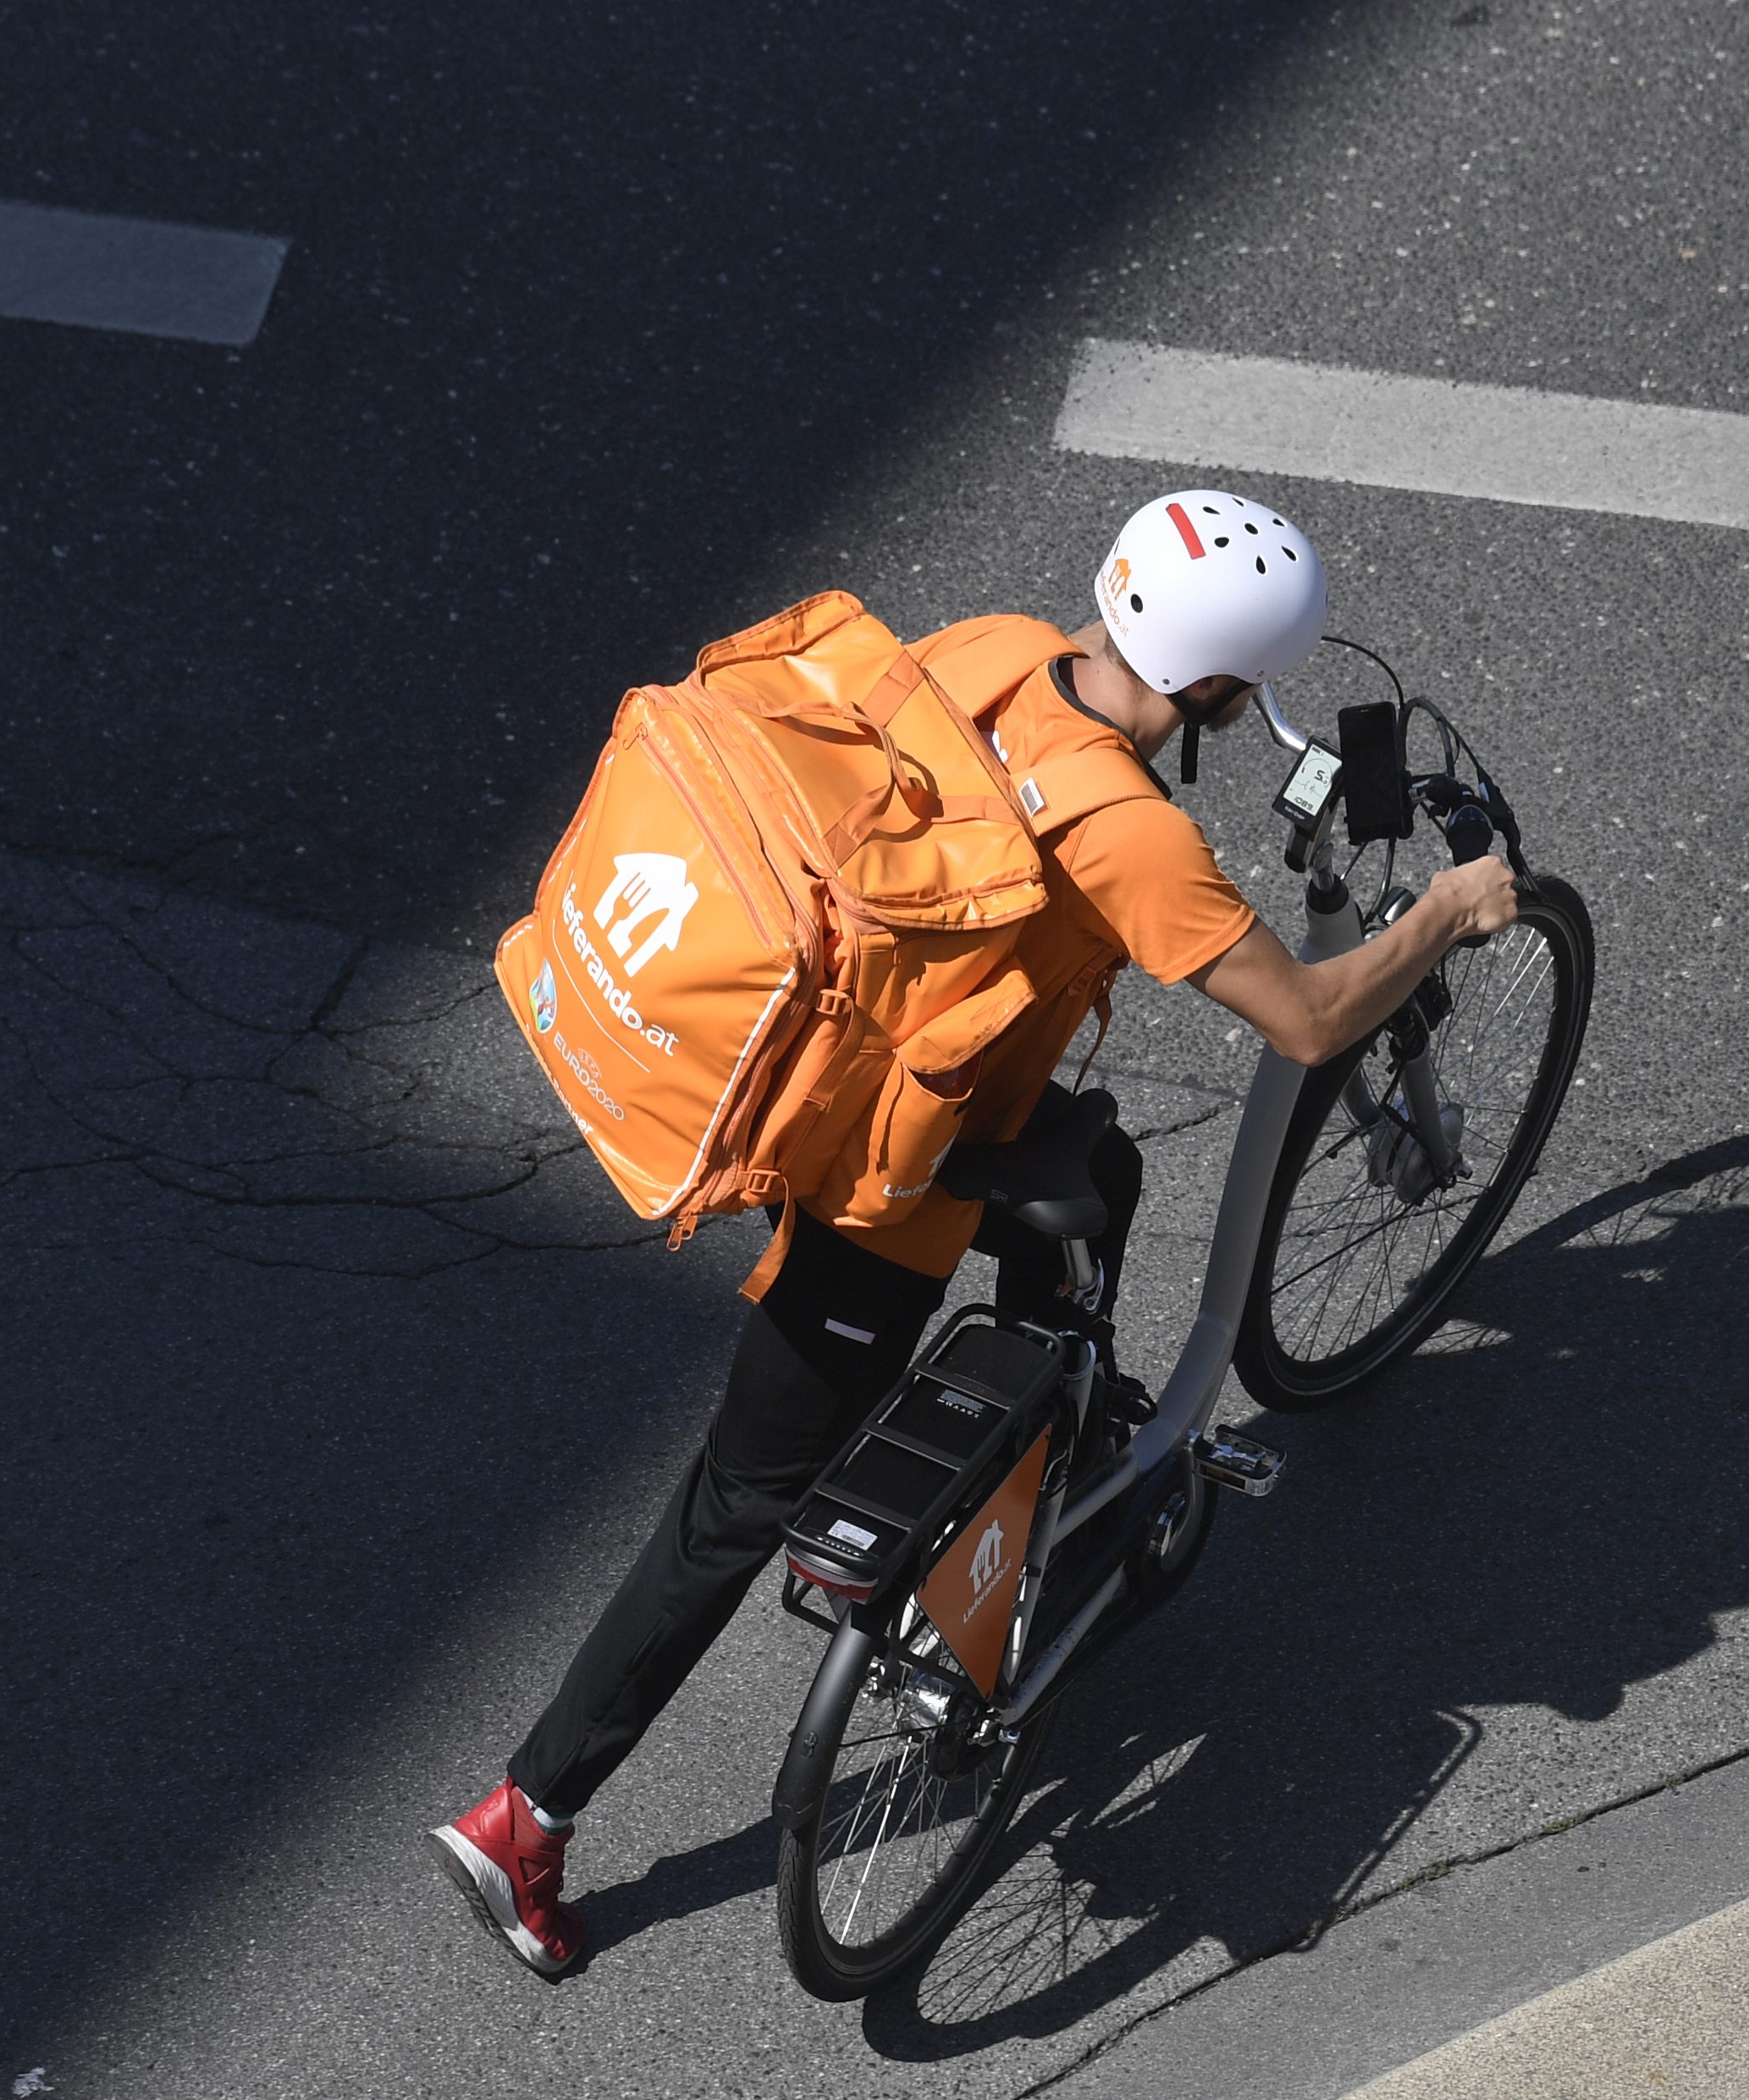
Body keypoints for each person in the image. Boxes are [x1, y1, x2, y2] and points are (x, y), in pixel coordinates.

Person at [428, 491, 1519, 1976]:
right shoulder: (1132, 835)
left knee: (1098, 1171)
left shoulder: (1000, 649)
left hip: (830, 1059)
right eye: (1244, 688)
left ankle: (1046, 1482)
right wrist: (1449, 912)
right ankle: (527, 1821)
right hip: (893, 1181)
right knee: (733, 1515)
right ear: (1212, 689)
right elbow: (1317, 1013)